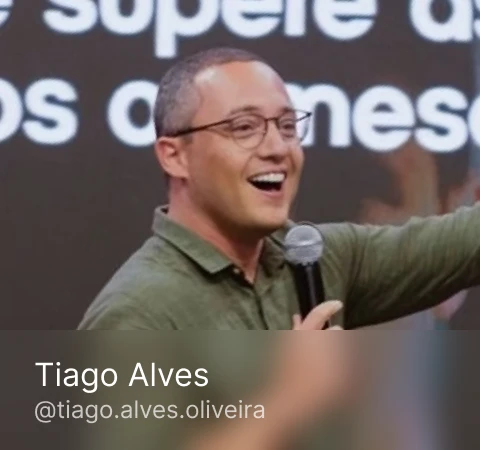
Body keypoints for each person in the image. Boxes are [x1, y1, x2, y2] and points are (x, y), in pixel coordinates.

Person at [79, 47, 480, 331]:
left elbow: (464, 242)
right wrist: (291, 393)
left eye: (287, 127)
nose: (277, 148)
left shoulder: (314, 262)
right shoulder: (136, 314)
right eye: (244, 128)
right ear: (174, 156)